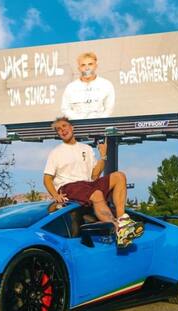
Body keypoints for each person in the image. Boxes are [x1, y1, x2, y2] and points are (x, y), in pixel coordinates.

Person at [43, 117, 142, 247]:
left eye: (64, 126)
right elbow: (47, 178)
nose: (62, 130)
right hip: (69, 186)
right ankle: (117, 228)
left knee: (119, 176)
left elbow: (95, 175)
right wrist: (55, 195)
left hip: (88, 185)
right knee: (97, 194)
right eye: (58, 130)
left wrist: (103, 156)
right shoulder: (56, 152)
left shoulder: (86, 148)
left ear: (72, 127)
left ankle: (122, 221)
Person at [61, 52, 115, 120]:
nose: (87, 68)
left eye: (90, 64)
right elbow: (65, 109)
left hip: (99, 125)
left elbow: (109, 109)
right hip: (78, 126)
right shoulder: (71, 88)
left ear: (96, 66)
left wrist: (99, 122)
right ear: (79, 68)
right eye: (83, 65)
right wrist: (79, 121)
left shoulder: (106, 85)